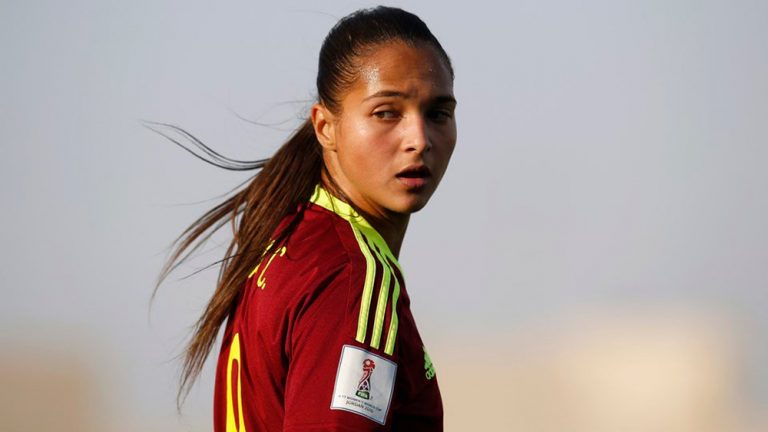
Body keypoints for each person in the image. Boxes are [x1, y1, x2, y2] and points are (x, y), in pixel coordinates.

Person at [153, 6, 457, 431]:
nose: (419, 139)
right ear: (325, 126)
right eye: (386, 112)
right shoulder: (352, 274)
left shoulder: (288, 241)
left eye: (438, 113)